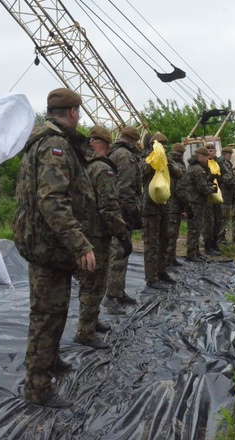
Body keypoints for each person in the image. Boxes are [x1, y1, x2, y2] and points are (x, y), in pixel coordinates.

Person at [14, 88, 96, 409]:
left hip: (48, 245)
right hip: (50, 246)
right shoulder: (55, 145)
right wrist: (80, 243)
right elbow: (53, 200)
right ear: (73, 112)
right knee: (46, 315)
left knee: (55, 309)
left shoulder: (43, 141)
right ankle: (37, 388)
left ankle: (51, 360)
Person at [76, 126, 131, 347]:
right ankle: (86, 332)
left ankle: (92, 320)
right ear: (105, 145)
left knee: (88, 281)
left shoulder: (80, 164)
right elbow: (109, 207)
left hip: (81, 231)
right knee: (94, 282)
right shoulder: (102, 169)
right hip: (97, 235)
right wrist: (123, 234)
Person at [103, 125, 142, 313]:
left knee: (121, 252)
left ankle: (118, 291)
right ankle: (112, 296)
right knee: (119, 252)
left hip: (115, 209)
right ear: (134, 140)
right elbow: (126, 188)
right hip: (122, 211)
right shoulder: (125, 156)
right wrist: (134, 213)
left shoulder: (114, 152)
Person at [140, 132, 180, 289]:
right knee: (151, 243)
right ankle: (151, 277)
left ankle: (162, 270)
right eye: (161, 145)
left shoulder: (166, 159)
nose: (163, 148)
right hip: (149, 207)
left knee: (165, 239)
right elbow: (140, 173)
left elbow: (179, 174)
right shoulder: (146, 157)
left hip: (164, 206)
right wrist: (152, 160)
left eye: (165, 146)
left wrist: (167, 163)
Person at [184, 146, 216, 262]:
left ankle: (195, 252)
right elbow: (202, 187)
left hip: (195, 200)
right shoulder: (198, 169)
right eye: (206, 157)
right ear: (201, 156)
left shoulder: (193, 167)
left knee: (196, 228)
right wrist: (212, 189)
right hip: (196, 201)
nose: (207, 159)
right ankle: (192, 253)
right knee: (194, 229)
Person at [166, 143, 188, 267]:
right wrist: (186, 206)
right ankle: (169, 260)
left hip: (167, 202)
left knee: (169, 234)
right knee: (172, 234)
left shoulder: (167, 164)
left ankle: (170, 258)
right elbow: (180, 190)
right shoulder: (179, 167)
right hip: (174, 206)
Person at [203, 143, 224, 256]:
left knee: (218, 220)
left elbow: (225, 175)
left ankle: (215, 243)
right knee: (209, 222)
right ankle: (208, 245)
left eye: (212, 150)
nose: (210, 152)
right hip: (207, 196)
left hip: (217, 193)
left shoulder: (218, 163)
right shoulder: (203, 164)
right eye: (208, 150)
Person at [218, 147, 235, 243]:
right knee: (223, 216)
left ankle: (221, 237)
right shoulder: (224, 163)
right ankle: (220, 238)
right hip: (225, 194)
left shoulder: (223, 162)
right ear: (227, 154)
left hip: (225, 194)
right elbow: (227, 179)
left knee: (224, 216)